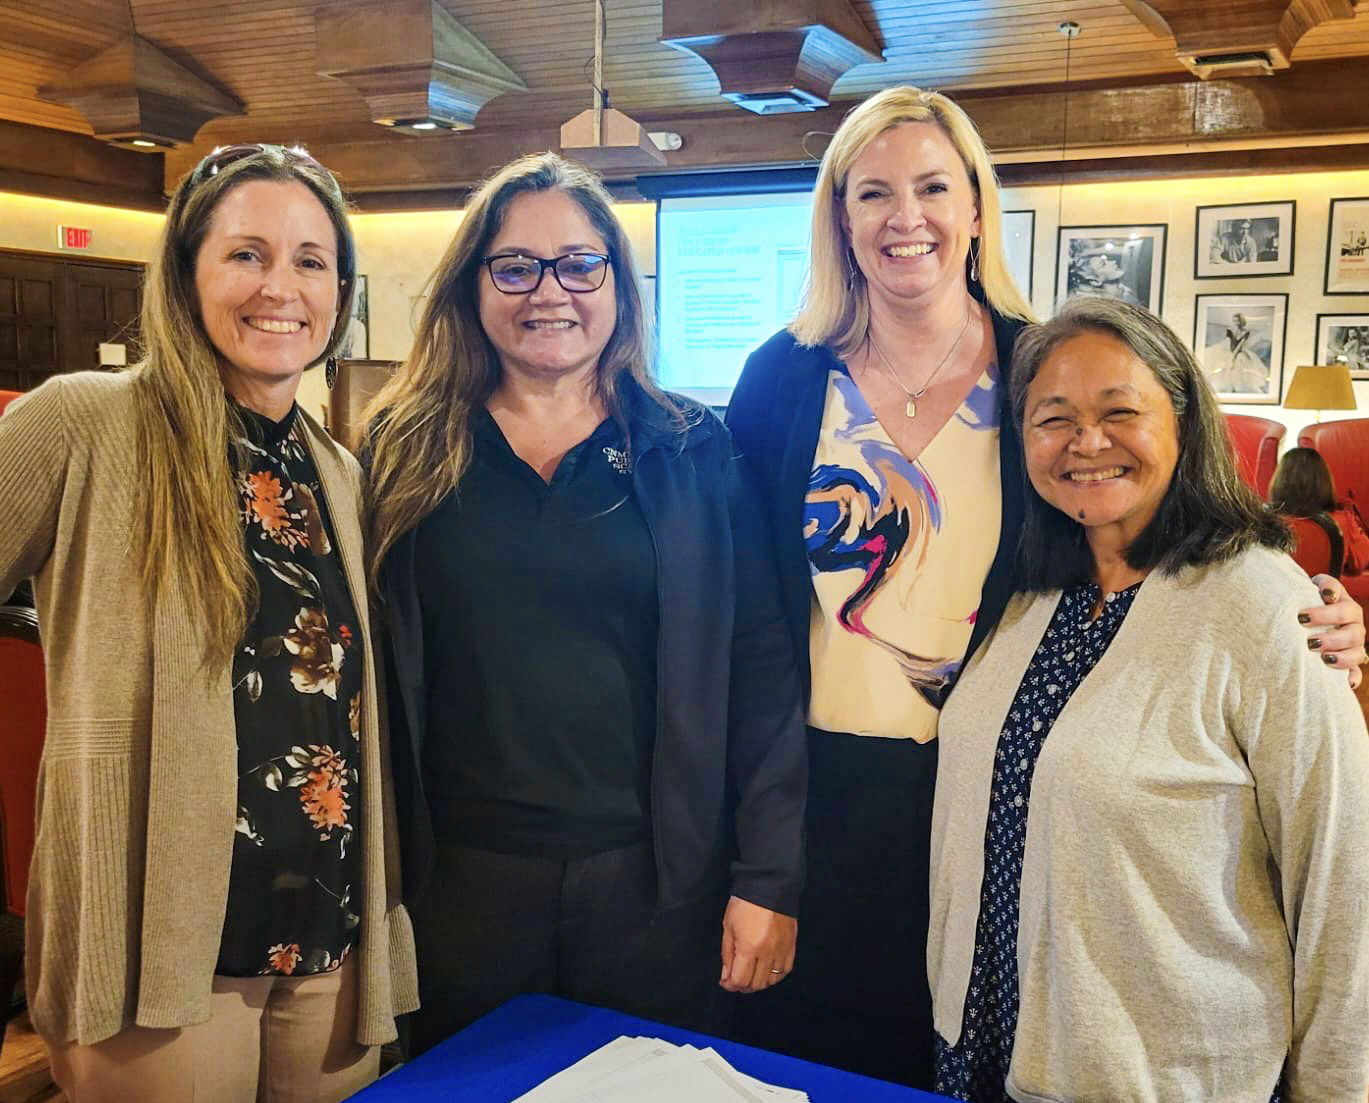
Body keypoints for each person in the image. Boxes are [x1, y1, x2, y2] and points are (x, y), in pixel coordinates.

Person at [724, 84, 1368, 1089]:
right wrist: (760, 861)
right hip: (815, 801)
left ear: (976, 206)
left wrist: (1302, 616)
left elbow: (1158, 541)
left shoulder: (1042, 364)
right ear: (836, 217)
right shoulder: (780, 377)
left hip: (1010, 783)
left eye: (934, 186)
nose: (906, 218)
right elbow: (747, 618)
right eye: (872, 193)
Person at [360, 152, 806, 1055]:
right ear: (472, 286)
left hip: (655, 884)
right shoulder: (402, 451)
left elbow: (761, 668)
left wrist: (768, 879)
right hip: (457, 886)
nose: (548, 291)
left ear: (618, 284)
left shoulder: (693, 447)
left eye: (578, 263)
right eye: (515, 266)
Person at [0, 144, 418, 1102]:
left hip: (327, 929)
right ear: (186, 271)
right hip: (161, 936)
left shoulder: (337, 472)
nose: (282, 287)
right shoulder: (86, 422)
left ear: (341, 291)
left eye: (312, 261)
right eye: (247, 254)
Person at [929, 297, 1369, 1102]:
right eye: (1051, 417)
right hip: (993, 1048)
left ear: (1183, 422)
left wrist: (1338, 1088)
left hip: (1170, 1077)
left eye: (1119, 411)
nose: (1085, 443)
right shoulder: (1024, 595)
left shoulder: (1265, 604)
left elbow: (1343, 877)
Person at [1269, 446, 1369, 576]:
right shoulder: (1343, 521)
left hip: (1276, 593)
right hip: (1324, 594)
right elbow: (1360, 563)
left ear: (1279, 481)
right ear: (1324, 481)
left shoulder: (1263, 519)